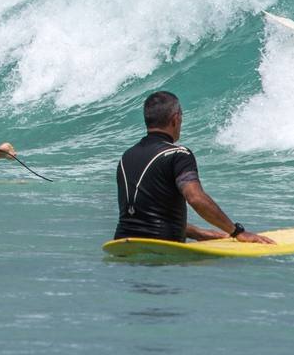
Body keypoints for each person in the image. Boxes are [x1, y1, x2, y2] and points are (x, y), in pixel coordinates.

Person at [114, 91, 273, 244]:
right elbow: (195, 198)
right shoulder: (178, 154)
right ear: (175, 119)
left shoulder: (126, 157)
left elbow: (143, 214)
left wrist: (197, 233)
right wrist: (237, 232)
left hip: (123, 243)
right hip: (164, 246)